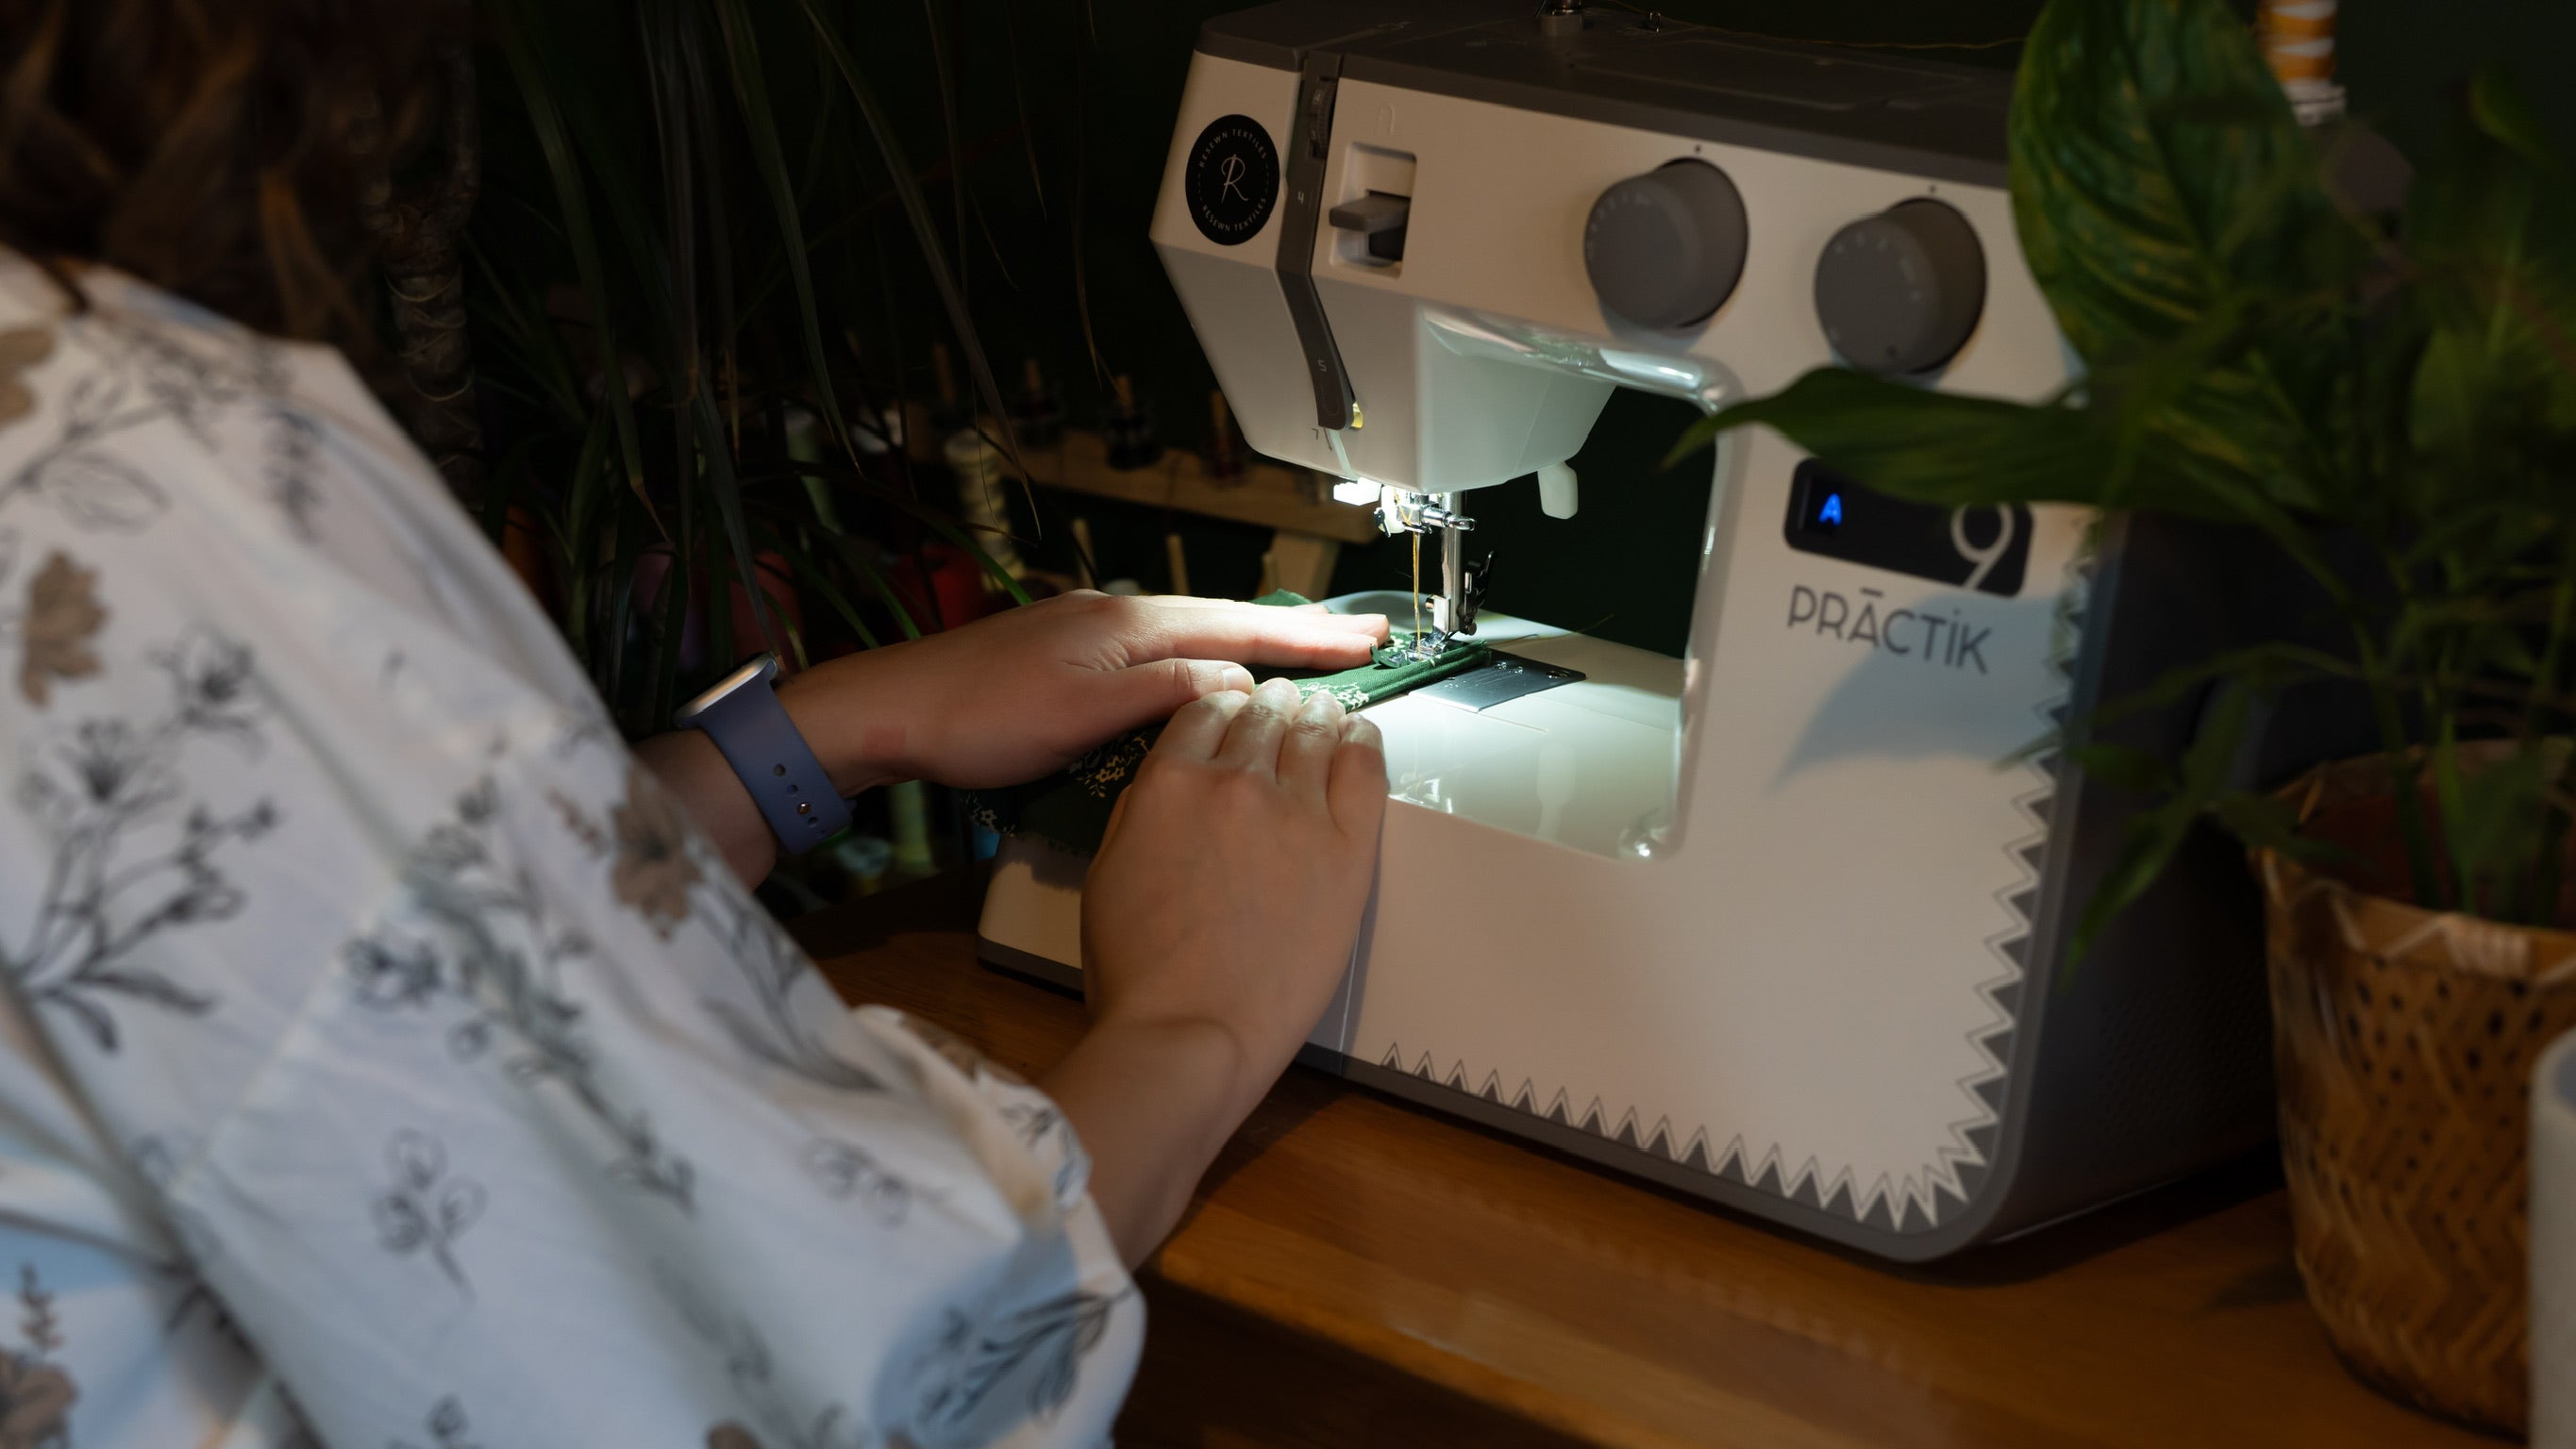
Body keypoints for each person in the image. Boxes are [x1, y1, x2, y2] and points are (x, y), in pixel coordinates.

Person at [0, 3, 1389, 1444]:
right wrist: (1193, 1023)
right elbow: (821, 1367)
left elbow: (292, 943)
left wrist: (832, 731)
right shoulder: (144, 500)